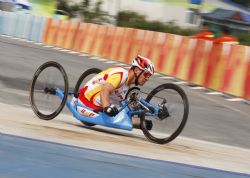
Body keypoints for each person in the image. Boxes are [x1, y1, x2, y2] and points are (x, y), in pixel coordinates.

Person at [76, 55, 154, 130]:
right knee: (113, 117)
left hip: (98, 106)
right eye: (146, 74)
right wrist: (107, 108)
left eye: (149, 76)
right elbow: (104, 91)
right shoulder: (121, 75)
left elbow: (126, 117)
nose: (147, 78)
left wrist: (142, 125)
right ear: (137, 70)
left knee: (120, 116)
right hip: (86, 101)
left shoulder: (127, 87)